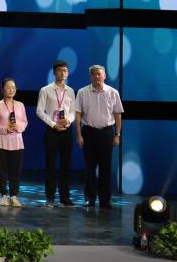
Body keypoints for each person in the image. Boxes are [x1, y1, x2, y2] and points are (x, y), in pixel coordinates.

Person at [75, 64, 125, 209]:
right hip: (88, 133)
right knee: (89, 168)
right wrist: (78, 135)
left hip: (106, 134)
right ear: (90, 76)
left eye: (99, 74)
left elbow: (118, 114)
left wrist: (117, 134)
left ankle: (105, 200)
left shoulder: (113, 92)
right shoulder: (82, 92)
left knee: (105, 168)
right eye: (94, 74)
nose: (97, 76)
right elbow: (78, 115)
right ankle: (89, 198)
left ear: (104, 76)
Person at [36, 59, 77, 208]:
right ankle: (50, 197)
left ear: (68, 73)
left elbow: (73, 111)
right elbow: (39, 111)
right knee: (51, 165)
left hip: (66, 130)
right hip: (52, 131)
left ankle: (65, 197)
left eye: (65, 70)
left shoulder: (70, 91)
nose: (62, 73)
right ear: (54, 72)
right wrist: (53, 124)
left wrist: (68, 120)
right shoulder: (45, 90)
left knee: (66, 165)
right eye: (60, 70)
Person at [0, 77, 28, 207]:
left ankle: (14, 196)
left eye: (13, 87)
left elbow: (24, 122)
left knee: (15, 171)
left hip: (17, 142)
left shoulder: (20, 105)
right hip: (1, 142)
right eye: (8, 87)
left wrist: (18, 127)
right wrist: (5, 129)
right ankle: (3, 195)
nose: (11, 90)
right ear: (3, 90)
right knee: (2, 171)